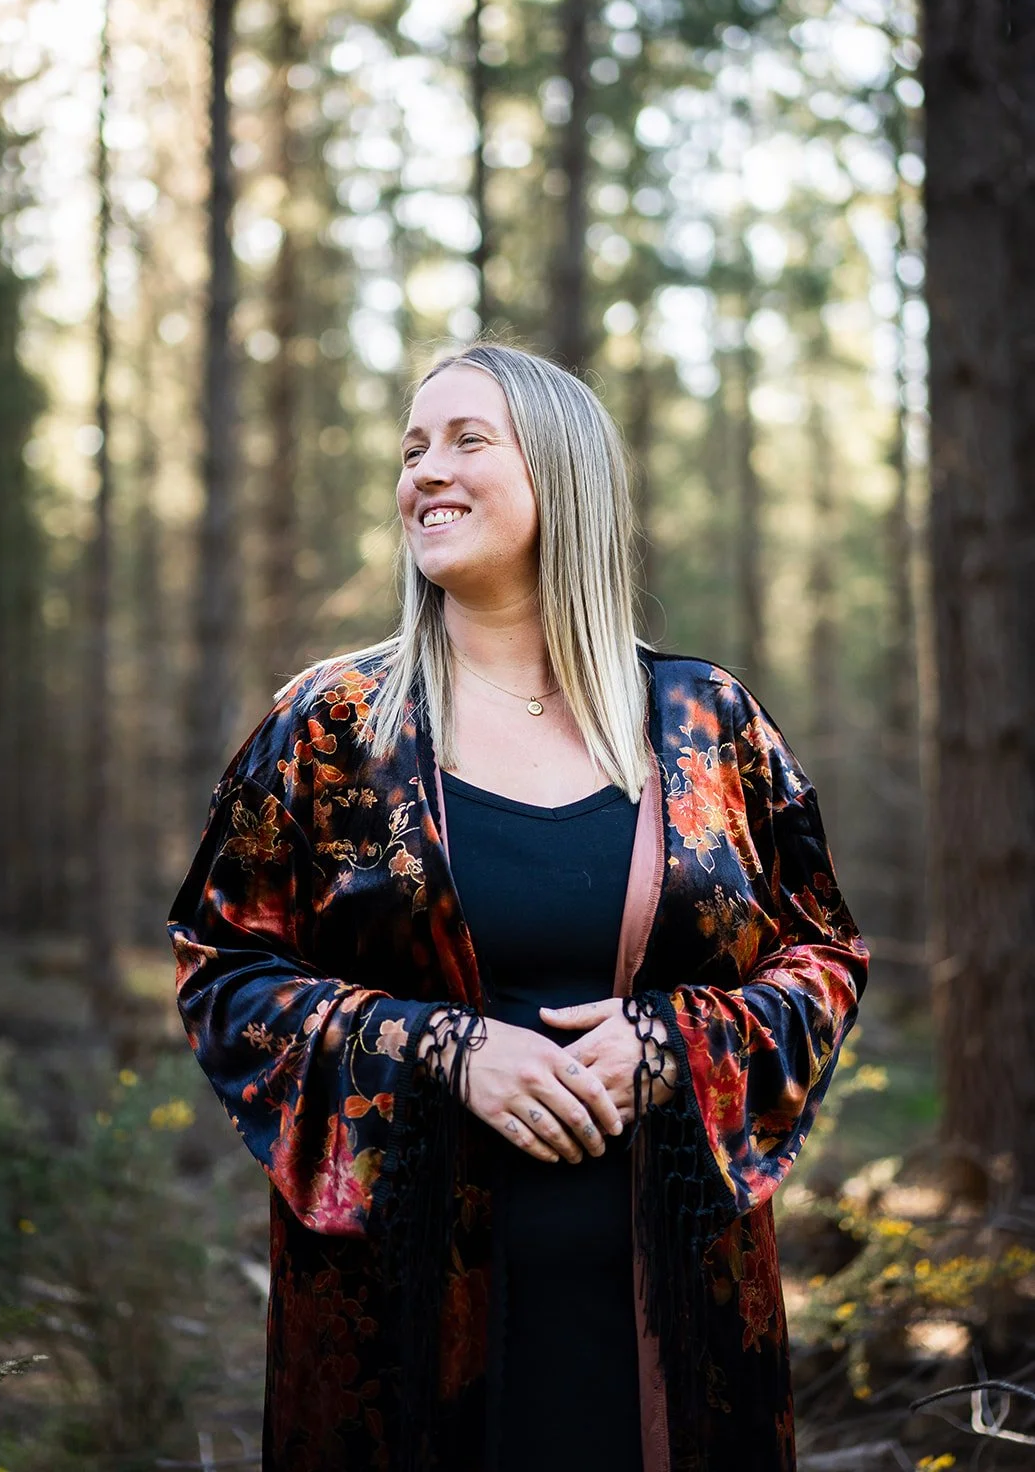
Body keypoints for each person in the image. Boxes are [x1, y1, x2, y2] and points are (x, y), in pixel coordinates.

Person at [168, 340, 868, 1472]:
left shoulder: (706, 723)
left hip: (674, 1320)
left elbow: (821, 954)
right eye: (412, 449)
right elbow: (223, 967)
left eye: (466, 440)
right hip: (398, 1329)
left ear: (561, 473)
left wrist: (669, 1043)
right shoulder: (331, 728)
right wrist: (444, 1051)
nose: (425, 472)